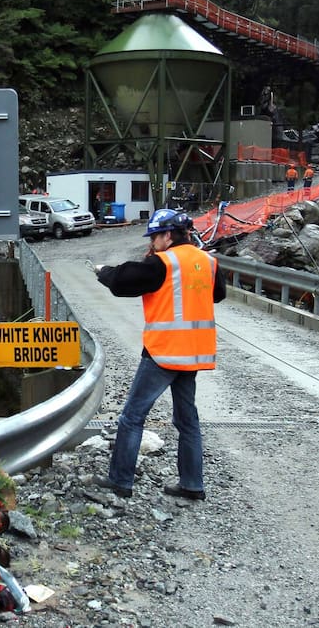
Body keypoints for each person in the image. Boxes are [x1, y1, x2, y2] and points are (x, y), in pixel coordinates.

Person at [92, 208, 226, 500]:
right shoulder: (208, 261)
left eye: (154, 237)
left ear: (167, 235)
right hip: (193, 353)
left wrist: (103, 272)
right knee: (187, 420)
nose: (152, 243)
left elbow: (123, 281)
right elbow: (217, 295)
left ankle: (120, 481)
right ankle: (192, 484)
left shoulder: (163, 263)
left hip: (163, 352)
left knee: (132, 416)